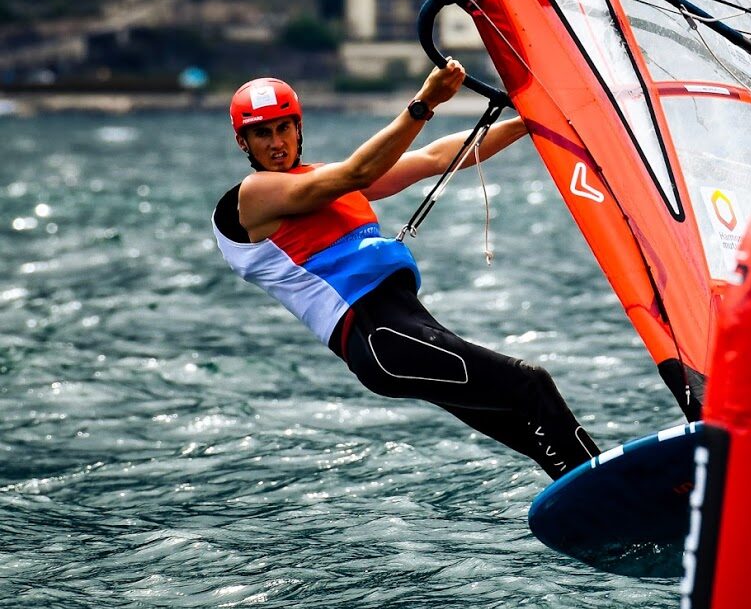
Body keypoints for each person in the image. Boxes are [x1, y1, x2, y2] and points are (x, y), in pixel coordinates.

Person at [211, 61, 600, 478]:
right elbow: (359, 171)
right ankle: (615, 488)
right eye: (261, 133)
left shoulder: (322, 180)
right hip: (378, 336)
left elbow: (435, 157)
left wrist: (531, 122)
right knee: (529, 384)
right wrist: (425, 101)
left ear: (299, 128)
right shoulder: (254, 197)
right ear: (243, 142)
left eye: (283, 128)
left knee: (523, 422)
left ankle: (606, 515)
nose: (276, 143)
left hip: (404, 328)